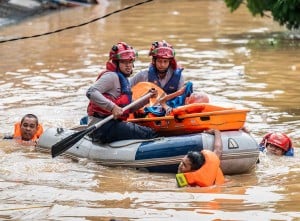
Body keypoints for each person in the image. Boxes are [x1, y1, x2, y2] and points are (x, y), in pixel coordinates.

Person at [86, 42, 158, 143]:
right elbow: (91, 92)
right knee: (150, 134)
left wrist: (147, 97)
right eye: (124, 62)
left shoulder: (123, 80)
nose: (128, 66)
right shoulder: (111, 77)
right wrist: (112, 107)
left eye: (130, 62)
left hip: (112, 124)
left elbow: (130, 107)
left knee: (147, 130)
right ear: (116, 63)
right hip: (101, 127)